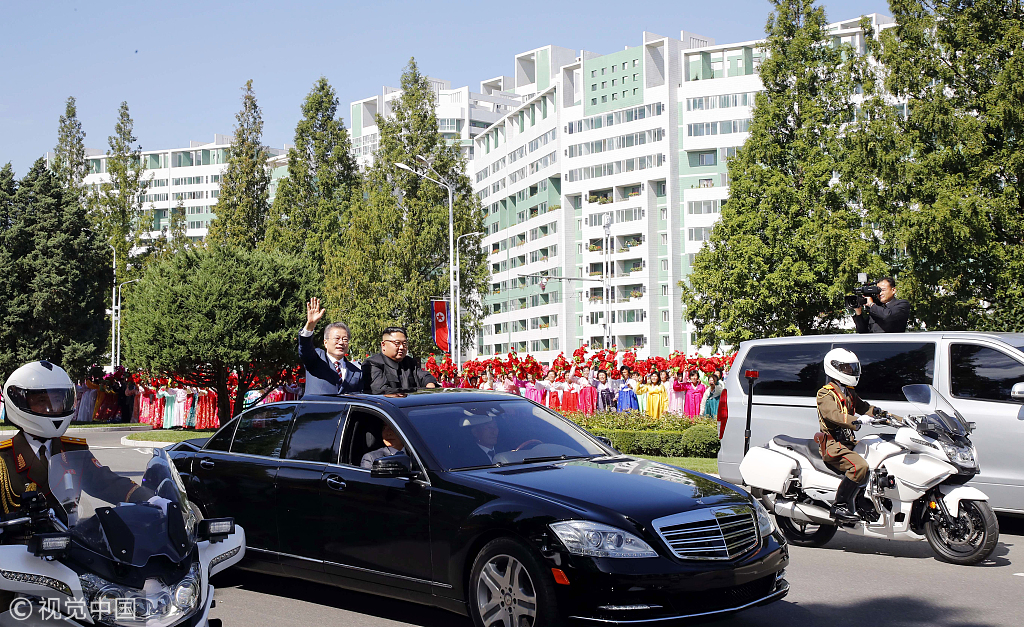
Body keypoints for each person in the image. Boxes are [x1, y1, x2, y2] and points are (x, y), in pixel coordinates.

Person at [0, 361, 157, 518]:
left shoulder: (73, 451)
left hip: (69, 538)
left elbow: (107, 483)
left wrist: (153, 499)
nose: (53, 407)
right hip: (19, 542)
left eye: (57, 400)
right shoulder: (3, 458)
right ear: (19, 402)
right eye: (42, 401)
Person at [817, 348, 898, 523]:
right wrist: (859, 421)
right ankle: (840, 506)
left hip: (848, 443)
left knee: (879, 457)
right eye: (846, 368)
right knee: (859, 466)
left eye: (852, 368)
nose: (851, 372)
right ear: (835, 368)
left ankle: (862, 501)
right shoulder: (825, 393)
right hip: (834, 445)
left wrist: (889, 417)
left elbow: (865, 408)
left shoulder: (849, 392)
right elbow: (834, 415)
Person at [299, 297, 363, 395]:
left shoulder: (356, 372)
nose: (341, 342)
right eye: (337, 339)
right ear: (325, 343)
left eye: (345, 339)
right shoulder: (317, 359)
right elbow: (305, 349)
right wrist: (310, 326)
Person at [362, 327, 439, 394]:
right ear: (383, 345)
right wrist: (417, 391)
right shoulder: (372, 364)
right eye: (397, 343)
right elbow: (382, 391)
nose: (402, 347)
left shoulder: (410, 363)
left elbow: (425, 376)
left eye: (404, 343)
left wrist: (430, 384)